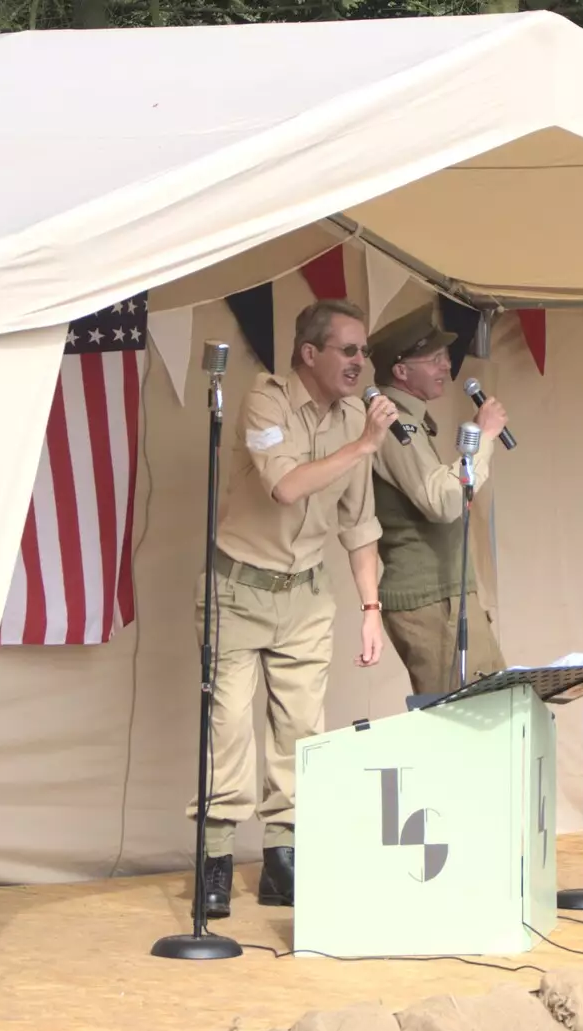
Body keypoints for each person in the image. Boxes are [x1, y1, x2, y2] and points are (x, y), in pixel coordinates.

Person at [190, 298, 398, 919]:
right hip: (239, 587)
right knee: (226, 728)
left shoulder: (355, 419)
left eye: (365, 352)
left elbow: (358, 524)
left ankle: (283, 862)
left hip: (306, 594)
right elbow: (284, 486)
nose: (362, 363)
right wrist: (364, 445)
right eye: (350, 350)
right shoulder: (266, 398)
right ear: (310, 353)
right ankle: (216, 861)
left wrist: (370, 607)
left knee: (301, 733)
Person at [365, 306, 510, 695]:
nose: (447, 366)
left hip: (444, 593)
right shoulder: (394, 423)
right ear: (401, 371)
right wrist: (484, 437)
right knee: (466, 714)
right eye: (434, 359)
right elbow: (442, 503)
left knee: (493, 705)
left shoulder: (411, 420)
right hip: (429, 598)